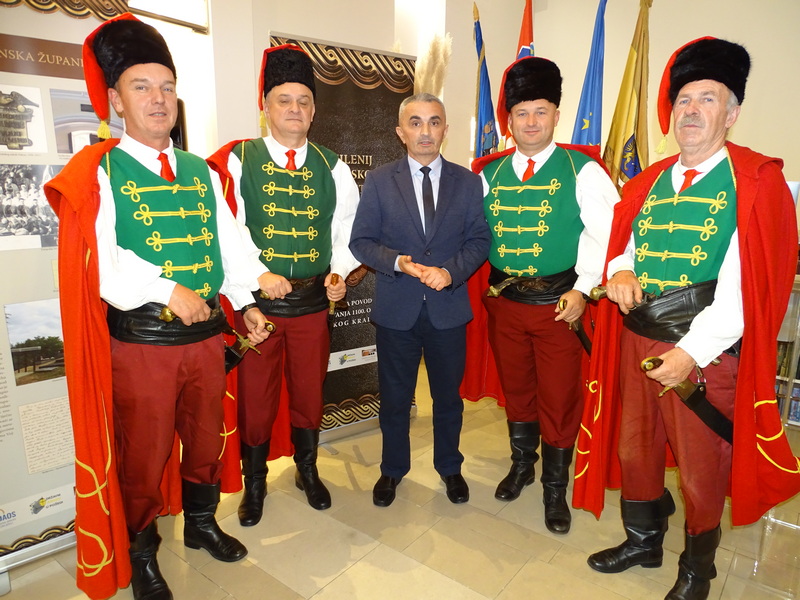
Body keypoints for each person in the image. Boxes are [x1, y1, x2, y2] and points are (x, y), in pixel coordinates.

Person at [44, 14, 274, 600]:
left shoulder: (202, 172)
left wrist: (246, 300)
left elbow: (229, 244)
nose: (158, 99)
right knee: (144, 456)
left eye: (167, 87)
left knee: (205, 441)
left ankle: (199, 523)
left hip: (205, 341)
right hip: (143, 345)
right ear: (116, 101)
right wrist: (167, 289)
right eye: (141, 87)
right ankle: (142, 551)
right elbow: (103, 262)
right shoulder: (98, 171)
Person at [582, 38, 800, 600]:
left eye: (708, 98)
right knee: (635, 448)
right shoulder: (647, 180)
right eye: (683, 99)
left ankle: (697, 570)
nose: (692, 110)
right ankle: (643, 541)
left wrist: (689, 354)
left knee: (702, 467)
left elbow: (746, 291)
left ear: (732, 113)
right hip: (637, 338)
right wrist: (621, 271)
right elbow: (625, 246)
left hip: (704, 353)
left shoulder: (755, 183)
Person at [207, 44, 360, 522]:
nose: (295, 109)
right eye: (284, 100)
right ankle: (255, 483)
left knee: (310, 392)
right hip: (259, 310)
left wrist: (338, 272)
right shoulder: (238, 161)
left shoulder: (333, 166)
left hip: (313, 305)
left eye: (304, 101)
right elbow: (225, 233)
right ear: (265, 107)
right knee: (256, 399)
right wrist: (253, 283)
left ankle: (307, 469)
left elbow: (348, 230)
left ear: (314, 111)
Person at [473, 57, 617, 534]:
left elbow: (609, 236)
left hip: (560, 308)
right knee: (517, 390)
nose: (531, 122)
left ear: (557, 114)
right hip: (505, 304)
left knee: (558, 398)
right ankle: (523, 465)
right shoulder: (488, 174)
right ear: (508, 120)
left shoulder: (583, 170)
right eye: (521, 113)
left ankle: (556, 487)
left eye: (540, 111)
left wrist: (582, 289)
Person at [349, 93, 491, 507]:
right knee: (395, 399)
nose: (425, 131)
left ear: (446, 129)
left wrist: (449, 272)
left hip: (448, 309)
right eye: (415, 123)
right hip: (398, 310)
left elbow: (479, 239)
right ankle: (392, 469)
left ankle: (450, 466)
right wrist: (397, 262)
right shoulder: (379, 181)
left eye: (433, 122)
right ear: (401, 132)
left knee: (448, 399)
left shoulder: (469, 182)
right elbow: (361, 241)